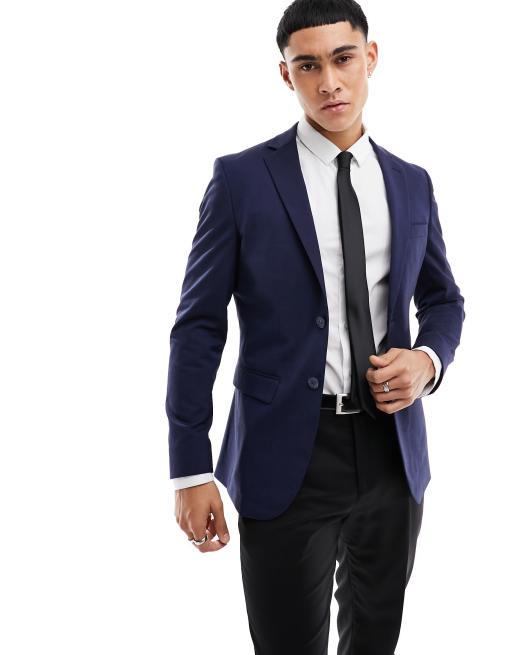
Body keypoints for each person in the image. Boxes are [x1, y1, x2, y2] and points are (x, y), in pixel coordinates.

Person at [165, 0, 465, 652]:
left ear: (370, 58)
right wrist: (190, 469)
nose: (328, 81)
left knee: (375, 640)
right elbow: (197, 327)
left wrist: (426, 361)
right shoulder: (242, 179)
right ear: (286, 74)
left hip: (392, 454)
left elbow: (443, 300)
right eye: (308, 65)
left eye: (342, 58)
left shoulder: (411, 183)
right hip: (283, 456)